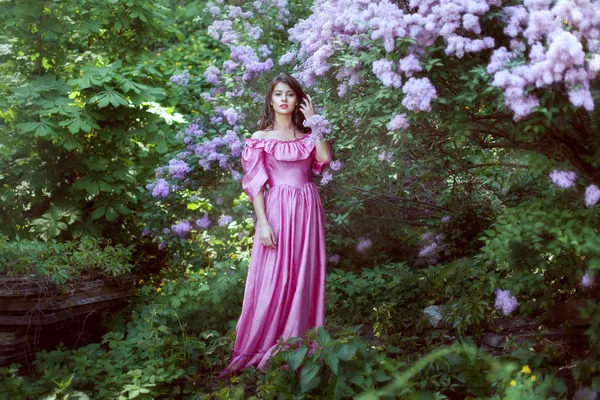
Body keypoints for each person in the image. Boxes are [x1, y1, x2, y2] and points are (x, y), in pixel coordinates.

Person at [218, 73, 332, 377]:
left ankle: (299, 340)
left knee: (304, 274)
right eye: (278, 94)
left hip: (308, 207)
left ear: (298, 100)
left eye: (290, 94)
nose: (284, 99)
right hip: (278, 209)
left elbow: (324, 158)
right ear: (270, 99)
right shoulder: (260, 138)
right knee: (274, 276)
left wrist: (315, 122)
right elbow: (255, 185)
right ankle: (265, 341)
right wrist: (263, 223)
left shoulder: (307, 136)